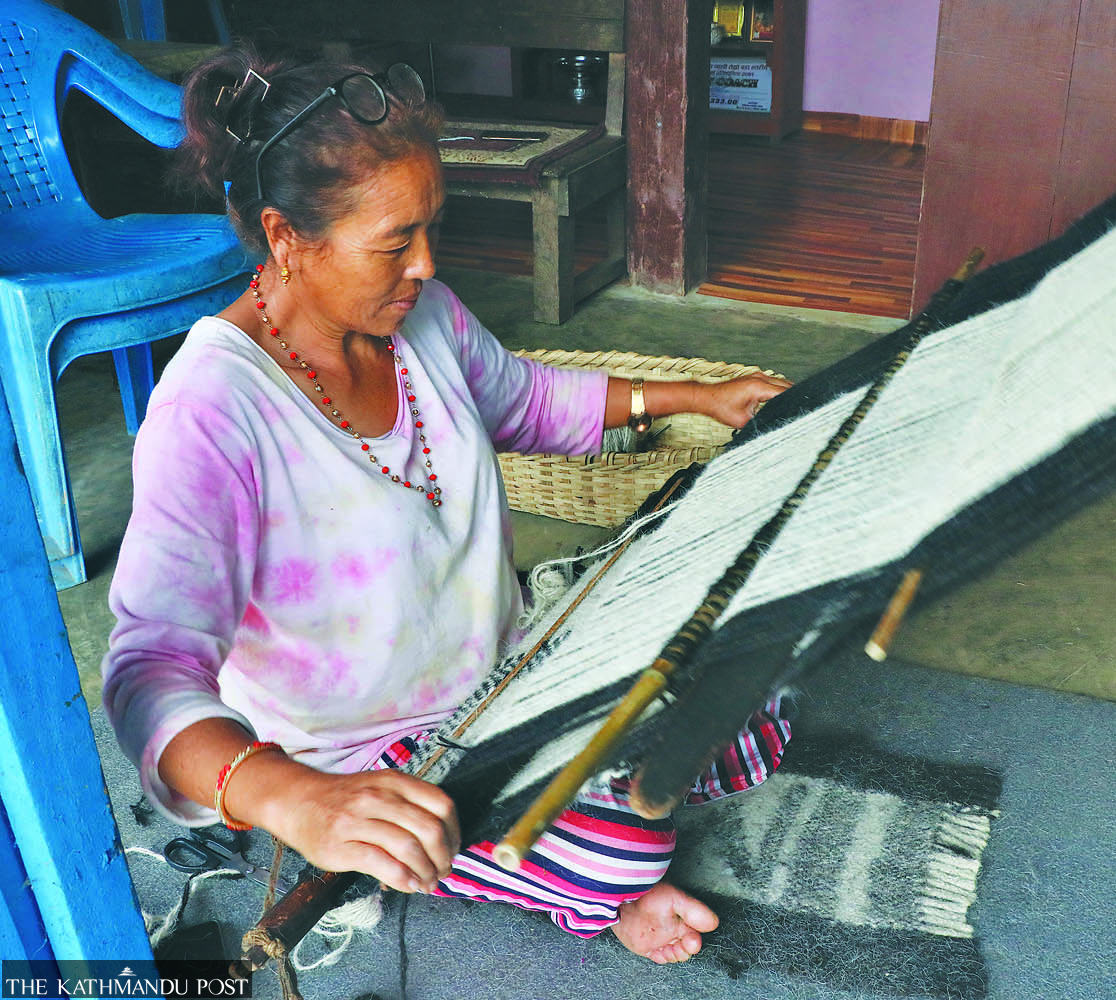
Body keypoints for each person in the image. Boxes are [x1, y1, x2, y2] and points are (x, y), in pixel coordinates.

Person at [101, 47, 792, 965]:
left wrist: (703, 399)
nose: (425, 263)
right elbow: (149, 670)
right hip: (371, 752)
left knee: (764, 686)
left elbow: (534, 403)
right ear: (286, 237)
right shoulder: (213, 411)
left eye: (430, 228)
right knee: (632, 848)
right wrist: (292, 797)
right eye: (395, 241)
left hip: (508, 672)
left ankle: (584, 818)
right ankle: (597, 885)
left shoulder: (419, 318)